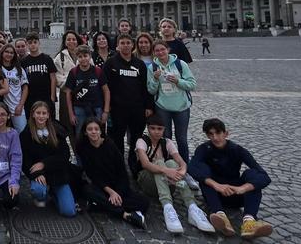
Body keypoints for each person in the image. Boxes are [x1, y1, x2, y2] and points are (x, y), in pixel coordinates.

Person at [188, 118, 273, 239]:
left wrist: (243, 188)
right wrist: (215, 185)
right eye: (211, 134)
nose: (215, 138)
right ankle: (221, 217)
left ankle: (249, 222)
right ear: (207, 135)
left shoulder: (238, 150)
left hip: (236, 193)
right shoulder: (204, 149)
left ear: (226, 133)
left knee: (252, 175)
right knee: (204, 174)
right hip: (215, 195)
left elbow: (264, 176)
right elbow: (192, 167)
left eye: (218, 133)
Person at [135, 116, 214, 234]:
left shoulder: (167, 142)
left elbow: (182, 163)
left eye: (159, 129)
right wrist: (167, 172)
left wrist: (180, 173)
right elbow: (146, 164)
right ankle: (167, 206)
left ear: (164, 129)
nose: (156, 132)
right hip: (147, 181)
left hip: (168, 183)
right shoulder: (142, 141)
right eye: (153, 128)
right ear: (148, 128)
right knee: (160, 162)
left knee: (171, 162)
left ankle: (192, 207)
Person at [76, 118, 148, 228]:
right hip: (101, 186)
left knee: (144, 202)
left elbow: (122, 172)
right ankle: (124, 214)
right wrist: (110, 192)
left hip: (117, 184)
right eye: (90, 129)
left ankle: (100, 205)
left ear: (101, 131)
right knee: (87, 190)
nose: (93, 132)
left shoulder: (110, 145)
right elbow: (92, 175)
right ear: (85, 132)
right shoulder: (83, 147)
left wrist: (117, 193)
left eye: (96, 129)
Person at [147, 40, 199, 190]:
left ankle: (186, 171)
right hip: (163, 107)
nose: (160, 53)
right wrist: (156, 79)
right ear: (154, 53)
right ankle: (171, 171)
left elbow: (192, 84)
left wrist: (178, 81)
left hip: (182, 106)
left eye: (162, 49)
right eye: (157, 51)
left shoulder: (180, 64)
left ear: (167, 49)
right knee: (166, 139)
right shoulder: (153, 67)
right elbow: (151, 90)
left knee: (182, 139)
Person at [102, 34, 153, 173]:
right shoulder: (110, 63)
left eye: (128, 43)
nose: (125, 45)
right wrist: (107, 106)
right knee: (115, 138)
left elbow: (145, 86)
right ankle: (118, 166)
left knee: (136, 138)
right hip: (117, 109)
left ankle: (133, 163)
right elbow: (105, 86)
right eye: (122, 43)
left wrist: (148, 106)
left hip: (137, 108)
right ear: (118, 46)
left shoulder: (139, 64)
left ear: (132, 45)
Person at [19, 101, 76, 217]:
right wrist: (36, 174)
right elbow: (25, 160)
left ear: (48, 115)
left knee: (69, 211)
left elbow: (64, 156)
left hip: (57, 172)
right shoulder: (26, 134)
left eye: (44, 113)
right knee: (39, 191)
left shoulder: (57, 130)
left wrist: (44, 164)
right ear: (33, 114)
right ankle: (43, 194)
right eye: (38, 113)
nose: (41, 116)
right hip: (40, 174)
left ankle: (54, 193)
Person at [64, 45, 110, 140]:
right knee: (80, 134)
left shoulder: (98, 71)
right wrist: (71, 114)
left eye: (85, 56)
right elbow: (68, 93)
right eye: (80, 56)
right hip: (79, 108)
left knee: (98, 134)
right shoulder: (73, 72)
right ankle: (80, 155)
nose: (83, 59)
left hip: (97, 107)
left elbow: (106, 91)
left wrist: (105, 111)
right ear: (77, 57)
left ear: (90, 56)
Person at [54, 30, 85, 134]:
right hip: (66, 91)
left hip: (84, 92)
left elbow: (90, 71)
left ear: (77, 41)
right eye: (69, 39)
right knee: (68, 123)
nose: (71, 41)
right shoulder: (60, 57)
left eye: (74, 39)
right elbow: (57, 76)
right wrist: (73, 82)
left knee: (84, 121)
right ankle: (74, 146)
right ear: (65, 42)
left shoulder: (85, 54)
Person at [20, 33, 58, 119]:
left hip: (46, 96)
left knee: (49, 120)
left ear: (39, 43)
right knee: (31, 120)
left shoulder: (47, 59)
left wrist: (52, 96)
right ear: (27, 45)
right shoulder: (24, 61)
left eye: (35, 42)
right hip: (30, 97)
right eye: (30, 43)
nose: (33, 45)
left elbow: (53, 78)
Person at [0, 44, 29, 132]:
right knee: (3, 133)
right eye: (7, 52)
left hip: (16, 106)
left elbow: (25, 88)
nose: (9, 54)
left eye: (11, 53)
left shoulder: (19, 69)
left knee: (22, 132)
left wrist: (21, 105)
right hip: (2, 106)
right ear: (2, 53)